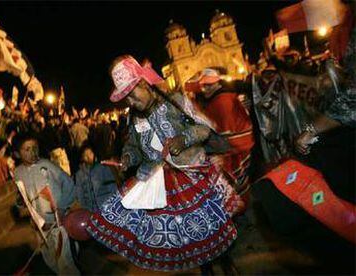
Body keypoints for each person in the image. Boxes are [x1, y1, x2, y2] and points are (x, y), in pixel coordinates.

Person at [87, 55, 241, 273]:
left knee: (213, 233)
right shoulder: (134, 118)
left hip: (192, 176)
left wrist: (183, 139)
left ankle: (228, 266)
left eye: (131, 95)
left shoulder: (174, 101)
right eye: (125, 98)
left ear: (143, 84)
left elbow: (204, 128)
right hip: (163, 184)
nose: (130, 102)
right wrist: (127, 159)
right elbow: (134, 147)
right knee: (192, 236)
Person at [13, 133, 79, 274]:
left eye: (35, 148)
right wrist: (20, 202)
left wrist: (61, 208)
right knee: (50, 259)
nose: (33, 152)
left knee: (65, 262)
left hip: (57, 223)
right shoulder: (17, 173)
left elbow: (68, 184)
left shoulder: (47, 165)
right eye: (27, 149)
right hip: (40, 228)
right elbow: (22, 198)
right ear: (17, 154)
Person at [186, 68, 254, 203]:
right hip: (236, 144)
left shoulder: (222, 101)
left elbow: (225, 134)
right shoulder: (217, 98)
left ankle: (246, 208)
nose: (206, 89)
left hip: (237, 146)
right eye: (204, 85)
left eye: (209, 85)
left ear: (218, 83)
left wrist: (220, 154)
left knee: (237, 183)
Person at [75, 146, 117, 212]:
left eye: (90, 153)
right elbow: (80, 194)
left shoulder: (103, 168)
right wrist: (85, 208)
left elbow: (112, 186)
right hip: (91, 210)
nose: (89, 157)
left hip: (105, 206)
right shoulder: (80, 174)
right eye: (85, 155)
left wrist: (112, 203)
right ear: (82, 158)